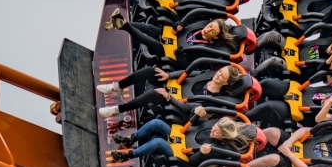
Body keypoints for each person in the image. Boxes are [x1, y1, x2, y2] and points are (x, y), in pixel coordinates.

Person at [96, 64, 244, 118]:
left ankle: (118, 110)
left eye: (221, 76)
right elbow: (186, 73)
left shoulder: (215, 99)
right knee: (151, 70)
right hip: (175, 87)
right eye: (219, 72)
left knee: (154, 94)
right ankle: (118, 87)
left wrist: (169, 97)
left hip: (176, 105)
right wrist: (169, 75)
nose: (217, 75)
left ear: (226, 82)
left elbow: (188, 108)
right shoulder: (206, 75)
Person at [109, 116, 257, 163]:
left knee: (158, 143)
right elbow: (196, 120)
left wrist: (202, 153)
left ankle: (127, 156)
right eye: (214, 127)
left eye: (216, 131)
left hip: (183, 156)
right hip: (184, 137)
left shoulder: (219, 149)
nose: (212, 129)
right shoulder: (216, 123)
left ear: (223, 136)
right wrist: (197, 113)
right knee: (156, 123)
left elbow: (193, 161)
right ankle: (130, 139)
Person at [104, 12, 241, 59]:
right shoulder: (200, 23)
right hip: (174, 37)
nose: (208, 29)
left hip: (173, 54)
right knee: (153, 29)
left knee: (154, 44)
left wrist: (181, 53)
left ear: (215, 37)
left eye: (212, 31)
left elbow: (188, 63)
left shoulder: (208, 51)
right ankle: (121, 23)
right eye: (210, 26)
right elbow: (181, 23)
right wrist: (178, 25)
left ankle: (123, 24)